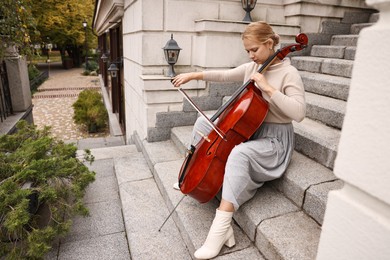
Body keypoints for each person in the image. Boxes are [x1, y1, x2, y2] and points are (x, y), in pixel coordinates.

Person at [171, 21, 306, 259]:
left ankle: (220, 230)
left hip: (275, 142)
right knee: (204, 123)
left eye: (254, 50)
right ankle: (191, 171)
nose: (251, 55)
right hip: (253, 131)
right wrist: (193, 75)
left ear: (269, 43)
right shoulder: (253, 67)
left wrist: (269, 90)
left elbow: (299, 112)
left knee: (239, 154)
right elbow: (224, 74)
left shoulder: (288, 73)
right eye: (247, 51)